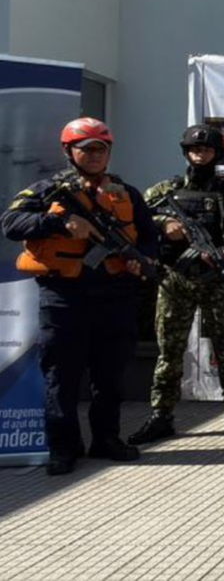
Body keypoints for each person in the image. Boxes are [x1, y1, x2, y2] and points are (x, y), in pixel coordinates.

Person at [2, 118, 157, 475]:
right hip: (65, 297)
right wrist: (60, 223)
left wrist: (143, 260)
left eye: (100, 149)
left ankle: (106, 439)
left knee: (110, 375)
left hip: (115, 297)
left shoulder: (128, 194)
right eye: (86, 149)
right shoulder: (46, 190)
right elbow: (10, 223)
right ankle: (64, 447)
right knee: (62, 376)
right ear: (68, 151)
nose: (94, 155)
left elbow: (149, 236)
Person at [128, 125, 224, 446]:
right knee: (169, 351)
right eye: (195, 150)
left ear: (217, 154)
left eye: (207, 150)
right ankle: (161, 415)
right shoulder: (166, 190)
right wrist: (165, 223)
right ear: (186, 152)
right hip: (176, 280)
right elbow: (137, 219)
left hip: (216, 282)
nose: (200, 156)